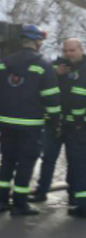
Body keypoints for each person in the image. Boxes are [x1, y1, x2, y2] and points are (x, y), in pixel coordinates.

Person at [0, 24, 61, 216]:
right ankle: (20, 205)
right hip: (30, 125)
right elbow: (51, 98)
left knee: (7, 161)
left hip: (6, 123)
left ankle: (2, 202)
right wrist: (55, 122)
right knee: (26, 162)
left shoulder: (3, 64)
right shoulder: (43, 65)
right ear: (37, 42)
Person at [29, 38, 86, 207]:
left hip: (77, 125)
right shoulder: (55, 66)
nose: (68, 54)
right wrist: (55, 74)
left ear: (81, 50)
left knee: (75, 160)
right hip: (54, 123)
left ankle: (74, 194)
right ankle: (42, 191)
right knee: (48, 158)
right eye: (65, 51)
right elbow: (38, 84)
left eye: (72, 50)